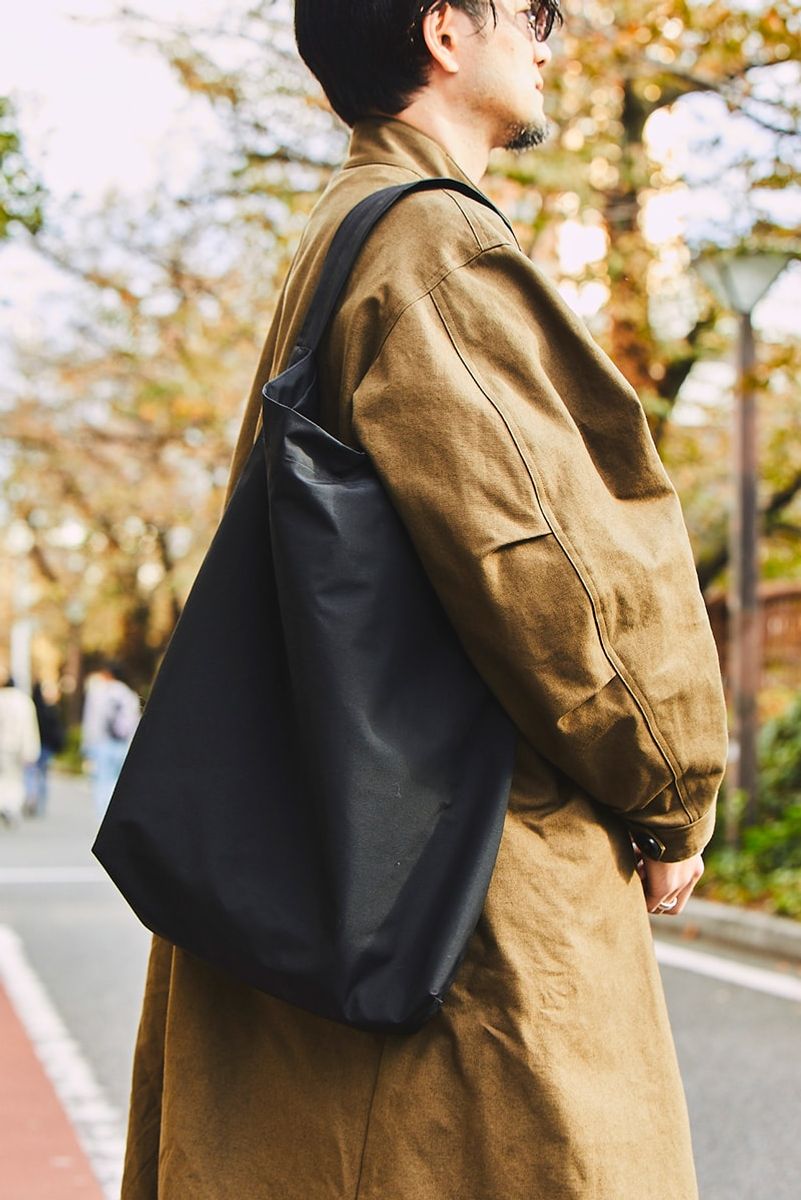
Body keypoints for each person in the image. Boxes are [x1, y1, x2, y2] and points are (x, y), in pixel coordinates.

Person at [121, 4, 729, 1197]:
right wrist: (671, 789)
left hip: (350, 856)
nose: (551, 38)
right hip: (471, 893)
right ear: (445, 29)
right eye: (534, 13)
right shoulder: (435, 249)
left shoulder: (340, 233)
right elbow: (559, 570)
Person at [81, 661, 140, 817]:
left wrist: (87, 745)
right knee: (118, 781)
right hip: (122, 745)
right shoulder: (129, 694)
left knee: (102, 781)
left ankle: (103, 816)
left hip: (102, 743)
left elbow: (92, 720)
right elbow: (134, 722)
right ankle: (116, 813)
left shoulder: (99, 692)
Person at [0, 669, 41, 828]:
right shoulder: (24, 701)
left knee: (3, 777)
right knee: (16, 779)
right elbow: (29, 727)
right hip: (19, 747)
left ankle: (4, 804)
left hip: (3, 746)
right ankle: (11, 806)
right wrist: (32, 749)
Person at [24, 680, 66, 817]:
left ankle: (31, 797)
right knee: (42, 775)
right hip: (46, 746)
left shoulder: (33, 710)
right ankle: (40, 803)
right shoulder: (51, 710)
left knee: (31, 774)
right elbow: (57, 730)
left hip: (36, 745)